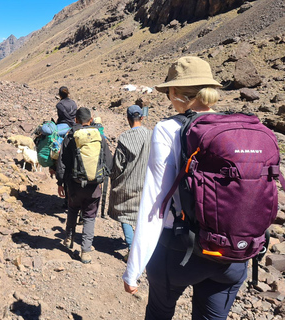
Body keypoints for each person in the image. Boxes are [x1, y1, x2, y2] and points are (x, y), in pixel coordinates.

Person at [122, 56, 248, 320]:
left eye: (169, 91)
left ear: (176, 93)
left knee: (159, 312)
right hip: (233, 254)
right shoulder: (239, 127)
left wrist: (133, 269)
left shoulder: (169, 129)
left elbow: (156, 202)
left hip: (180, 251)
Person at [56, 107, 112, 264]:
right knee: (89, 217)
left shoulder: (70, 137)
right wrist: (100, 178)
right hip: (94, 187)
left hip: (74, 185)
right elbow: (109, 162)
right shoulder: (99, 137)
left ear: (76, 120)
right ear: (91, 119)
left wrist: (60, 182)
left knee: (73, 210)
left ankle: (68, 238)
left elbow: (63, 163)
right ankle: (86, 251)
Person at [108, 105, 151, 261]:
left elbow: (118, 165)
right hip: (146, 184)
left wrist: (113, 177)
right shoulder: (151, 135)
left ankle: (132, 249)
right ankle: (144, 249)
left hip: (127, 183)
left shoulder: (125, 138)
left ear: (127, 118)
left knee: (125, 215)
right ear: (142, 117)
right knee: (142, 216)